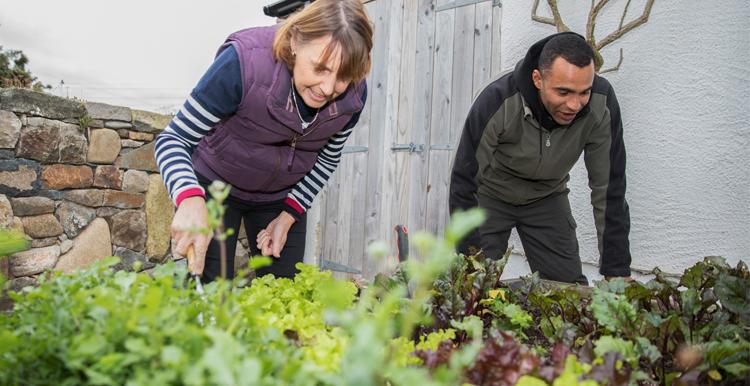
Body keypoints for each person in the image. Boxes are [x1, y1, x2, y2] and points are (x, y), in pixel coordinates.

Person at [155, 0, 373, 281]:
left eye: (343, 76)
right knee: (206, 292)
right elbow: (173, 139)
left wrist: (289, 215)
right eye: (319, 68)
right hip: (215, 187)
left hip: (280, 197)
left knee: (283, 295)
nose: (328, 88)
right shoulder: (242, 64)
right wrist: (189, 198)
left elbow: (328, 158)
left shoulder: (354, 96)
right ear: (295, 41)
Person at [449, 33, 632, 284]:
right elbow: (464, 180)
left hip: (547, 197)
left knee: (567, 291)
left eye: (583, 92)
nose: (574, 104)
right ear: (538, 79)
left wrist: (617, 271)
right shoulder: (498, 99)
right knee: (478, 286)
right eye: (563, 92)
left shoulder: (602, 103)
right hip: (490, 195)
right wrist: (470, 263)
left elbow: (609, 188)